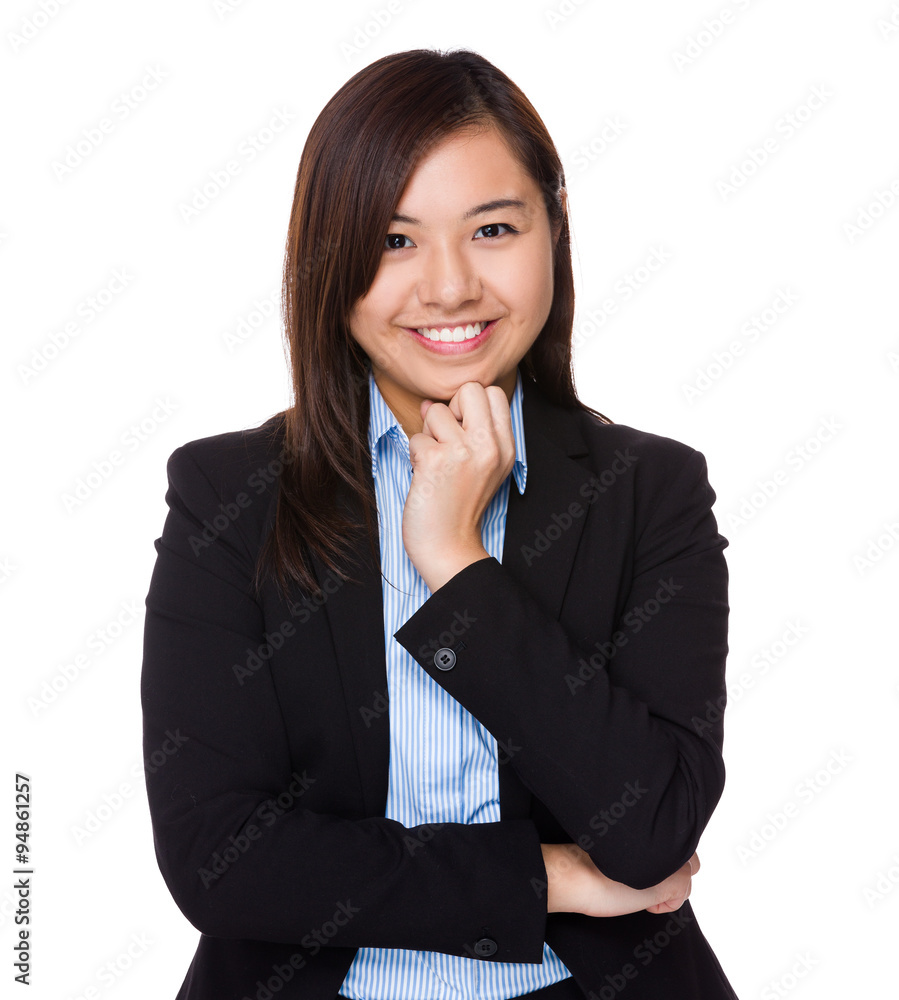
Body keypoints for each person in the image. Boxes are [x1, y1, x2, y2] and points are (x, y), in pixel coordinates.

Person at [141, 47, 740, 1000]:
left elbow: (653, 827)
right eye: (395, 239)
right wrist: (544, 880)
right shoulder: (230, 495)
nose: (451, 286)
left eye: (493, 228)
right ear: (326, 259)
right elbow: (218, 859)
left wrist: (455, 564)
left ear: (554, 229)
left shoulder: (649, 490)